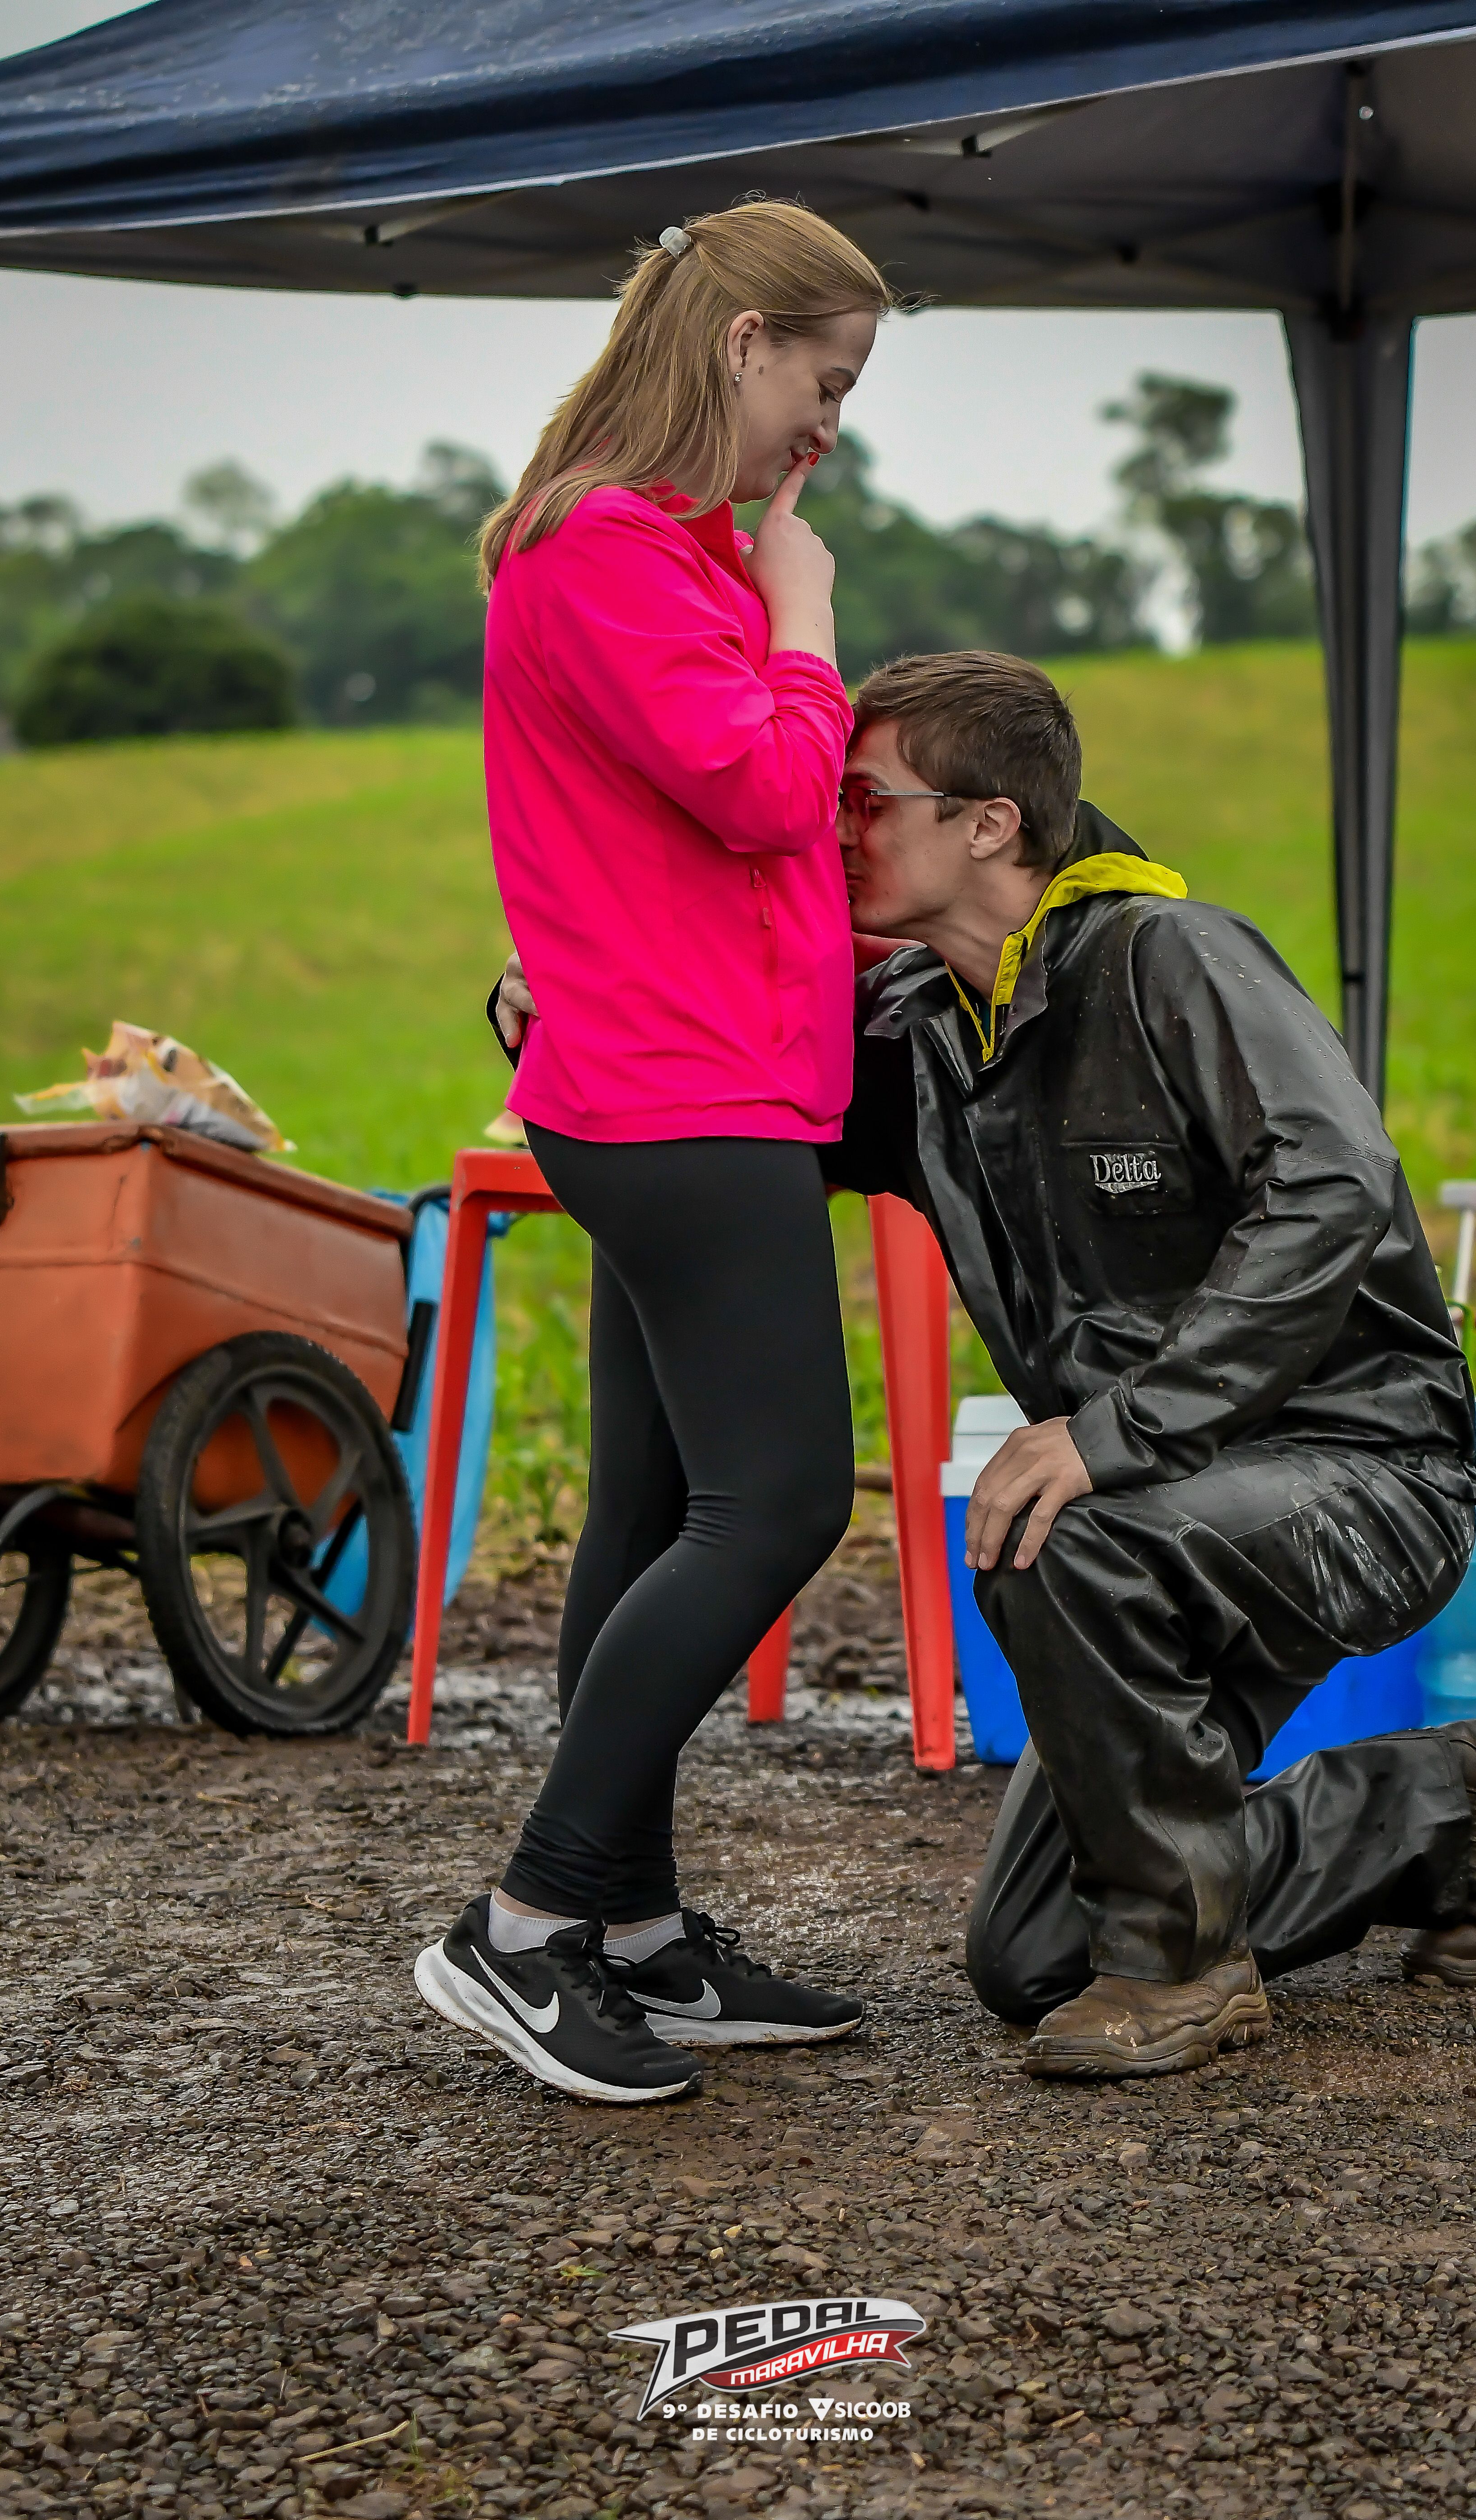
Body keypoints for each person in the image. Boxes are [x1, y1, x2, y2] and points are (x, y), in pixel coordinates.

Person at [816, 647, 1476, 2080]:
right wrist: (579, 1010)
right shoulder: (924, 1029)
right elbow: (745, 1122)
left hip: (1362, 1471)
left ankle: (1185, 1973)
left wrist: (1118, 1433)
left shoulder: (1173, 958)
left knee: (1056, 1531)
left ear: (989, 822)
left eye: (864, 799)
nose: (834, 829)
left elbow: (1335, 1183)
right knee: (1031, 1960)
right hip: (1168, 1504)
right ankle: (1455, 1810)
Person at [414, 201, 894, 2105]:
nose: (831, 428)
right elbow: (766, 785)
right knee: (778, 1504)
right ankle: (527, 1922)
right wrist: (808, 617)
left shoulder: (660, 551)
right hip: (678, 1091)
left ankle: (627, 1929)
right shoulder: (612, 550)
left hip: (699, 1074)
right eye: (825, 381)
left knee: (648, 1511)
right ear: (742, 341)